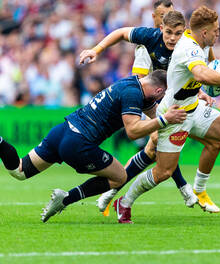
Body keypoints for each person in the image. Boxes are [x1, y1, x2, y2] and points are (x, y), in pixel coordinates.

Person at [112, 5, 220, 223]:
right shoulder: (190, 48)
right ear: (205, 32)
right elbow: (201, 73)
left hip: (193, 108)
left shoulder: (201, 44)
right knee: (163, 172)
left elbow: (206, 68)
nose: (219, 33)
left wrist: (212, 79)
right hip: (174, 116)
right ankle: (124, 202)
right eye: (216, 30)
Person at [80, 3, 220, 214]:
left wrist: (200, 91)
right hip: (152, 102)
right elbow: (139, 81)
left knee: (157, 149)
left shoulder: (189, 45)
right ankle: (184, 189)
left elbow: (199, 67)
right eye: (166, 24)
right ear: (157, 21)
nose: (172, 37)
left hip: (174, 101)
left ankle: (113, 193)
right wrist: (96, 49)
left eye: (178, 32)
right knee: (156, 143)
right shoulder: (147, 42)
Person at [0, 70, 187, 222]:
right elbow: (133, 132)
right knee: (120, 176)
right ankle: (65, 199)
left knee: (19, 170)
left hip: (63, 130)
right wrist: (164, 120)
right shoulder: (133, 94)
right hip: (78, 142)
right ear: (159, 91)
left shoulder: (134, 83)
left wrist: (165, 124)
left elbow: (152, 111)